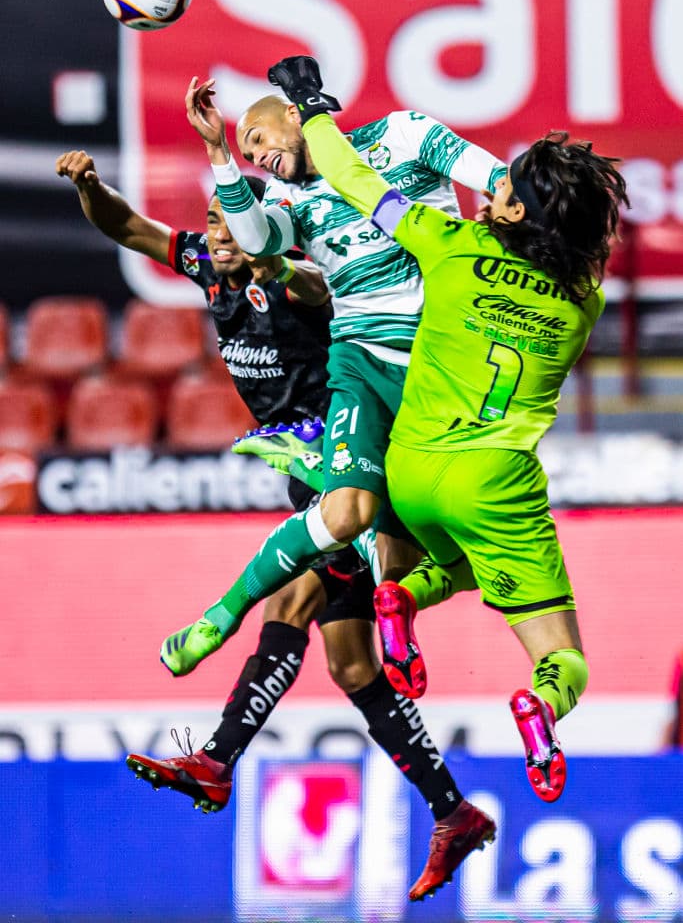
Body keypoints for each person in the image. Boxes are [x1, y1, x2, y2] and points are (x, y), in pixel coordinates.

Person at [55, 149, 492, 902]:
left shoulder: (292, 273)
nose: (218, 234)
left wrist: (281, 270)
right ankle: (452, 810)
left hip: (356, 454)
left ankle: (221, 759)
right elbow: (128, 228)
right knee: (352, 667)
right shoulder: (206, 263)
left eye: (235, 223)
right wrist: (92, 188)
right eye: (214, 223)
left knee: (293, 601)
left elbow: (322, 291)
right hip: (303, 464)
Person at [264, 56, 629, 805]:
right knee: (566, 659)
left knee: (462, 564)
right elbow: (579, 249)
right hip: (492, 483)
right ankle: (538, 708)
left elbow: (353, 178)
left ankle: (397, 598)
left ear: (515, 212)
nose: (487, 187)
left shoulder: (450, 246)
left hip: (411, 467)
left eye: (499, 186)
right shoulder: (582, 302)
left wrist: (310, 104)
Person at [160, 74, 505, 678]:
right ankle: (220, 616)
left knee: (459, 549)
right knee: (346, 515)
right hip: (361, 362)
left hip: (439, 365)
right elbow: (256, 237)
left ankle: (398, 610)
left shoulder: (404, 135)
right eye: (248, 152)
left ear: (297, 116)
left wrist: (510, 212)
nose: (257, 154)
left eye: (259, 137)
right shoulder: (289, 202)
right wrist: (217, 151)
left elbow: (495, 177)